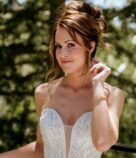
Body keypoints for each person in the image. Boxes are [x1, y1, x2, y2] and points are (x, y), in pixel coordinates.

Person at [0, 1, 125, 158]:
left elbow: (103, 143)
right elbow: (40, 149)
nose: (62, 54)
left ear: (90, 46)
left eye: (70, 44)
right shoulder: (44, 92)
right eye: (58, 46)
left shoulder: (113, 95)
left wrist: (97, 86)